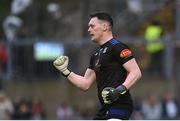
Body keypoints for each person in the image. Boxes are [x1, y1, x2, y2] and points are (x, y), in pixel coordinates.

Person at [53, 12, 142, 120]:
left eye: (92, 26)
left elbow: (136, 72)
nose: (89, 30)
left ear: (104, 27)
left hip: (120, 106)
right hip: (105, 109)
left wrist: (119, 90)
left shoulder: (118, 47)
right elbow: (85, 84)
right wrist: (65, 71)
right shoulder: (95, 55)